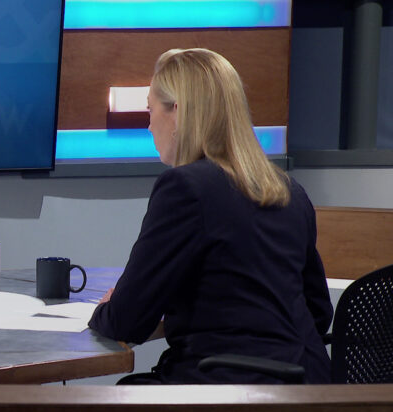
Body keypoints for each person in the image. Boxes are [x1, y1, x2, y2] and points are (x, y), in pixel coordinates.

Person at [88, 48, 333, 384]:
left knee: (115, 401)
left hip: (228, 389)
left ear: (177, 111)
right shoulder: (288, 190)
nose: (148, 125)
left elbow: (126, 322)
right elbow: (319, 312)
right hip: (310, 387)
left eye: (150, 109)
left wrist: (106, 308)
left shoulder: (184, 188)